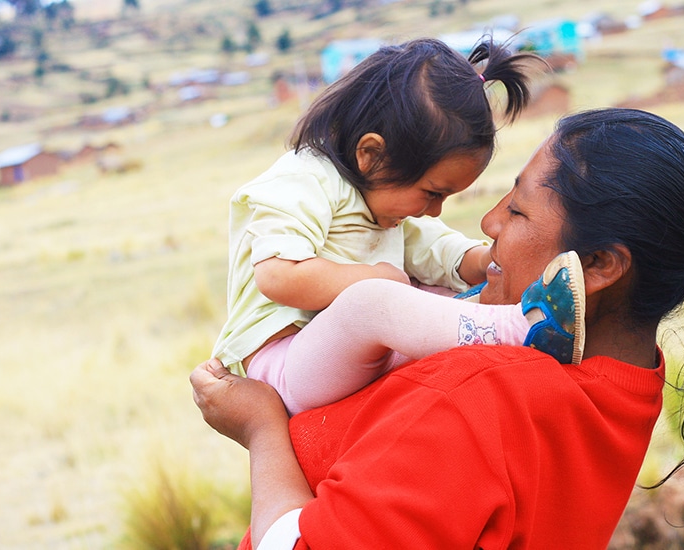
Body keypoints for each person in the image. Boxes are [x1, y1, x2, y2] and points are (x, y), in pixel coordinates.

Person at [192, 108, 684, 549]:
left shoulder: (479, 392)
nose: (489, 224)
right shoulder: (627, 376)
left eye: (520, 209)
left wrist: (262, 432)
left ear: (597, 266)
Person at [211, 37, 551, 415]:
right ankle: (520, 329)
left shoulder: (381, 203)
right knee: (377, 300)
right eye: (432, 193)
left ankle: (515, 309)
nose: (435, 210)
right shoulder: (302, 180)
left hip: (344, 354)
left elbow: (432, 249)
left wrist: (486, 261)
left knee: (436, 290)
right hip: (284, 363)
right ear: (371, 155)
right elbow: (278, 276)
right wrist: (376, 279)